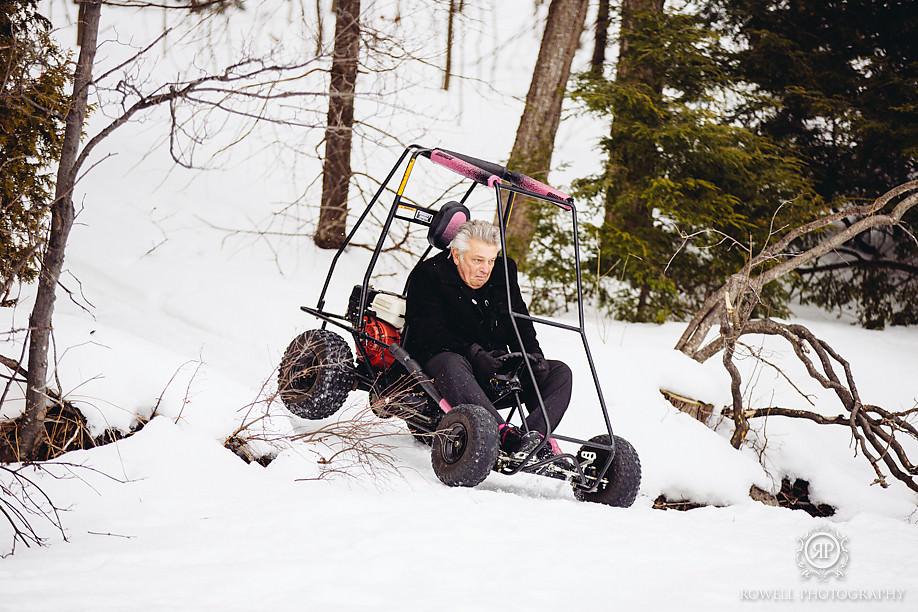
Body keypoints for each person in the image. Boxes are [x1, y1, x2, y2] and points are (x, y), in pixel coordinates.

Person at [404, 219, 572, 461]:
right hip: (444, 367)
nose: (486, 268)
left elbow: (520, 321)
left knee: (560, 372)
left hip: (494, 369)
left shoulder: (503, 272)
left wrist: (533, 355)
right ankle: (501, 434)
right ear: (457, 255)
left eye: (491, 260)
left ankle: (531, 437)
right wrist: (472, 353)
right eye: (478, 260)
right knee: (451, 363)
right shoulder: (429, 274)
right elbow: (427, 331)